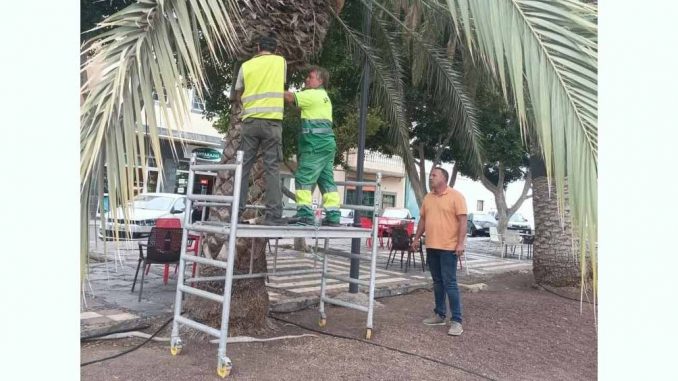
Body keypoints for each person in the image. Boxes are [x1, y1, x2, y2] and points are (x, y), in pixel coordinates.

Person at [233, 35, 287, 225]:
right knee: (271, 168)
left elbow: (238, 91)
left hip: (250, 123)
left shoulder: (246, 66)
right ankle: (273, 214)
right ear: (275, 49)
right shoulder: (280, 62)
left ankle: (236, 213)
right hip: (272, 123)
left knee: (244, 167)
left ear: (257, 47)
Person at [412, 167, 467, 336]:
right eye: (430, 175)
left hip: (449, 247)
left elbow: (463, 221)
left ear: (444, 178)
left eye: (434, 175)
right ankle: (439, 314)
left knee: (450, 283)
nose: (430, 178)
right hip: (432, 246)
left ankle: (457, 321)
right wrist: (416, 238)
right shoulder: (428, 198)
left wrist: (460, 244)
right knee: (437, 282)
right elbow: (423, 219)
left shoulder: (456, 196)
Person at [282, 66, 341, 226]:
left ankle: (305, 214)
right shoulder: (323, 96)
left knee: (303, 178)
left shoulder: (312, 94)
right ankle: (334, 216)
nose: (306, 79)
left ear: (320, 80)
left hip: (315, 144)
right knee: (326, 181)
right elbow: (298, 106)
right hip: (327, 144)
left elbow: (288, 97)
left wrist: (270, 89)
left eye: (310, 77)